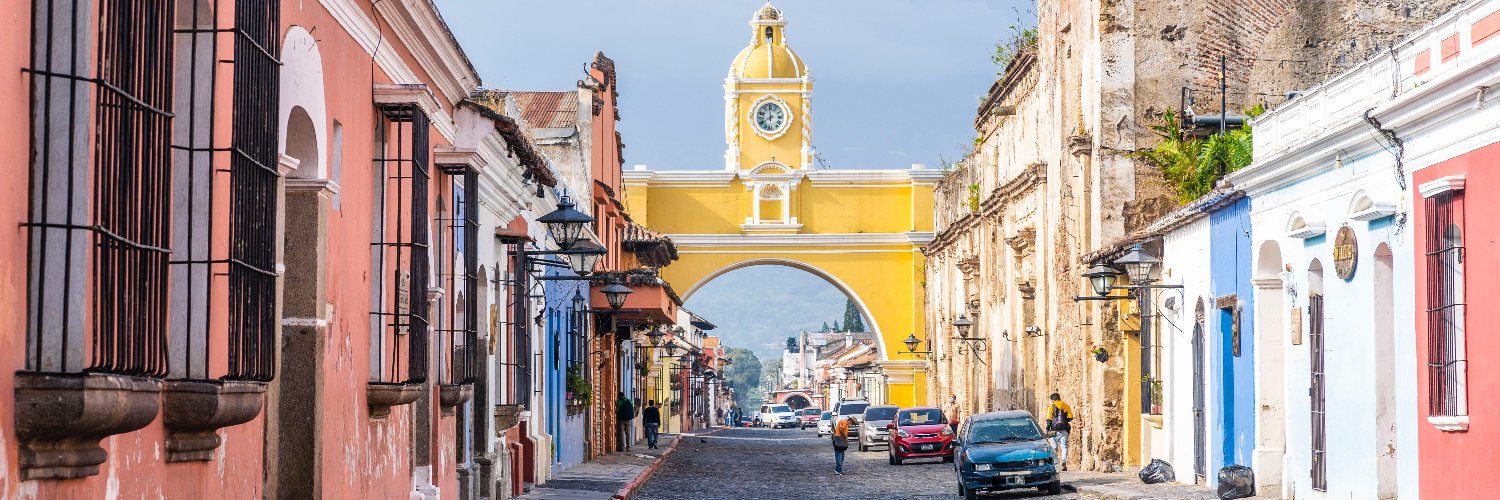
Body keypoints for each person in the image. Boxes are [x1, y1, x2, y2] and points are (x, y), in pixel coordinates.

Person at [1046, 392, 1074, 470]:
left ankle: (1055, 464)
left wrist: (1048, 429)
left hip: (1054, 430)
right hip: (1064, 429)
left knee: (1054, 448)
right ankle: (1063, 461)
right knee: (1064, 447)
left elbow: (1049, 419)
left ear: (1053, 399)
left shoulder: (1051, 407)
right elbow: (1070, 418)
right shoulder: (1066, 406)